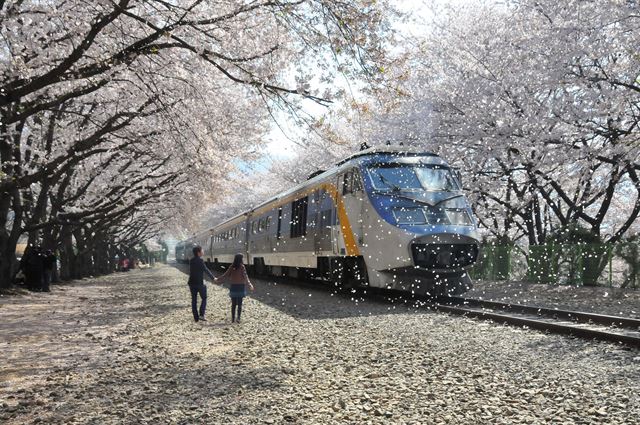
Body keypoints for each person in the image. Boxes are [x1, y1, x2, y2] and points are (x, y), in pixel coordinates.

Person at [215, 253, 254, 323]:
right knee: (239, 304)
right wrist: (250, 284)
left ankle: (233, 318)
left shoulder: (232, 266)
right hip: (240, 287)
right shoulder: (242, 267)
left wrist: (218, 279)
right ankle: (238, 318)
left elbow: (226, 275)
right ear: (240, 259)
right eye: (242, 258)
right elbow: (246, 276)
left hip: (234, 287)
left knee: (233, 304)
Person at [188, 246, 215, 322]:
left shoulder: (191, 260)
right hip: (199, 283)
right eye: (202, 250)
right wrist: (213, 278)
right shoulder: (200, 261)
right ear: (198, 252)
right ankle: (201, 315)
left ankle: (196, 317)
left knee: (194, 300)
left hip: (191, 283)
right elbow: (206, 270)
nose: (203, 251)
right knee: (204, 298)